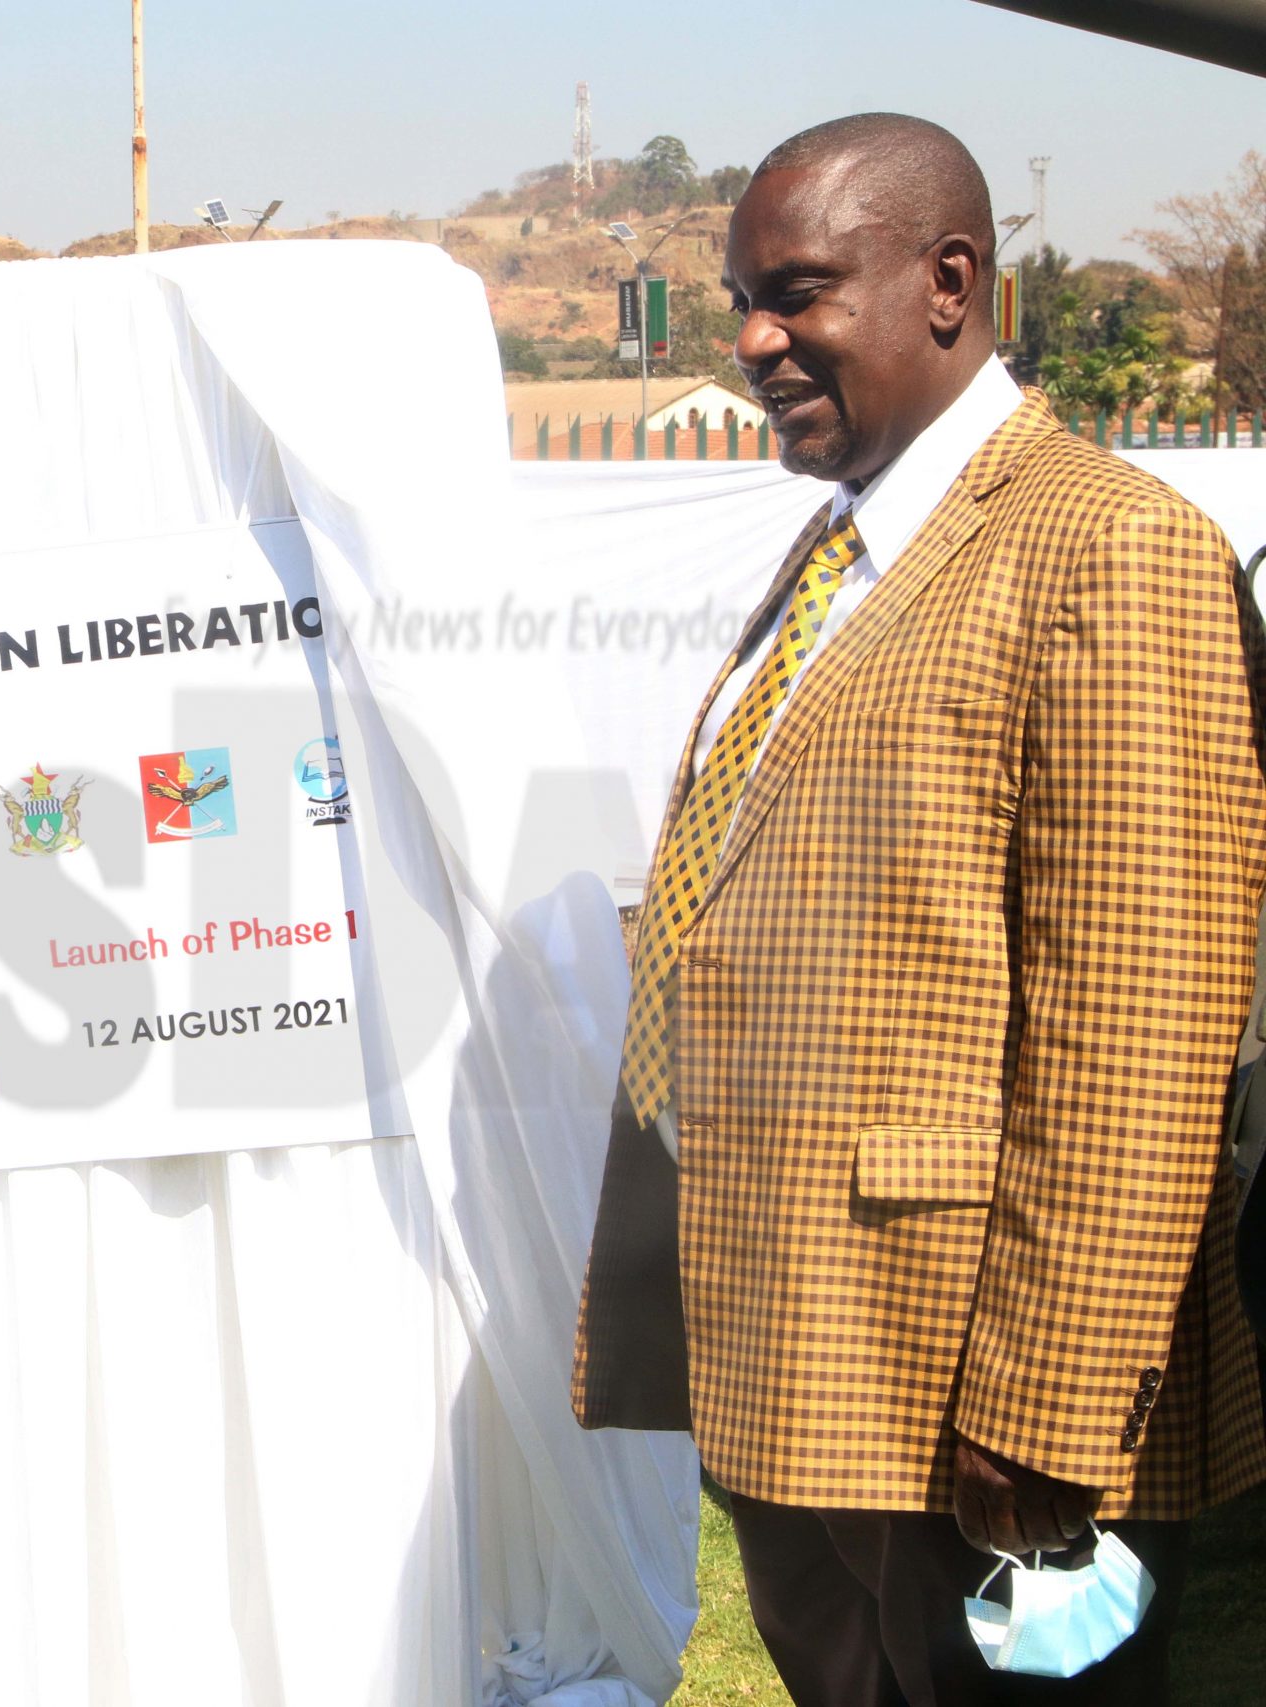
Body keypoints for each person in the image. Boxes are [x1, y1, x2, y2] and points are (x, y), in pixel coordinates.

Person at [572, 115, 1266, 1703]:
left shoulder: (1110, 551)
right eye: (742, 302)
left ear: (950, 283)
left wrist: (1052, 1400)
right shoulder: (848, 548)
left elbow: (1140, 1023)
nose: (753, 342)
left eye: (796, 294)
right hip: (808, 1366)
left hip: (978, 1401)